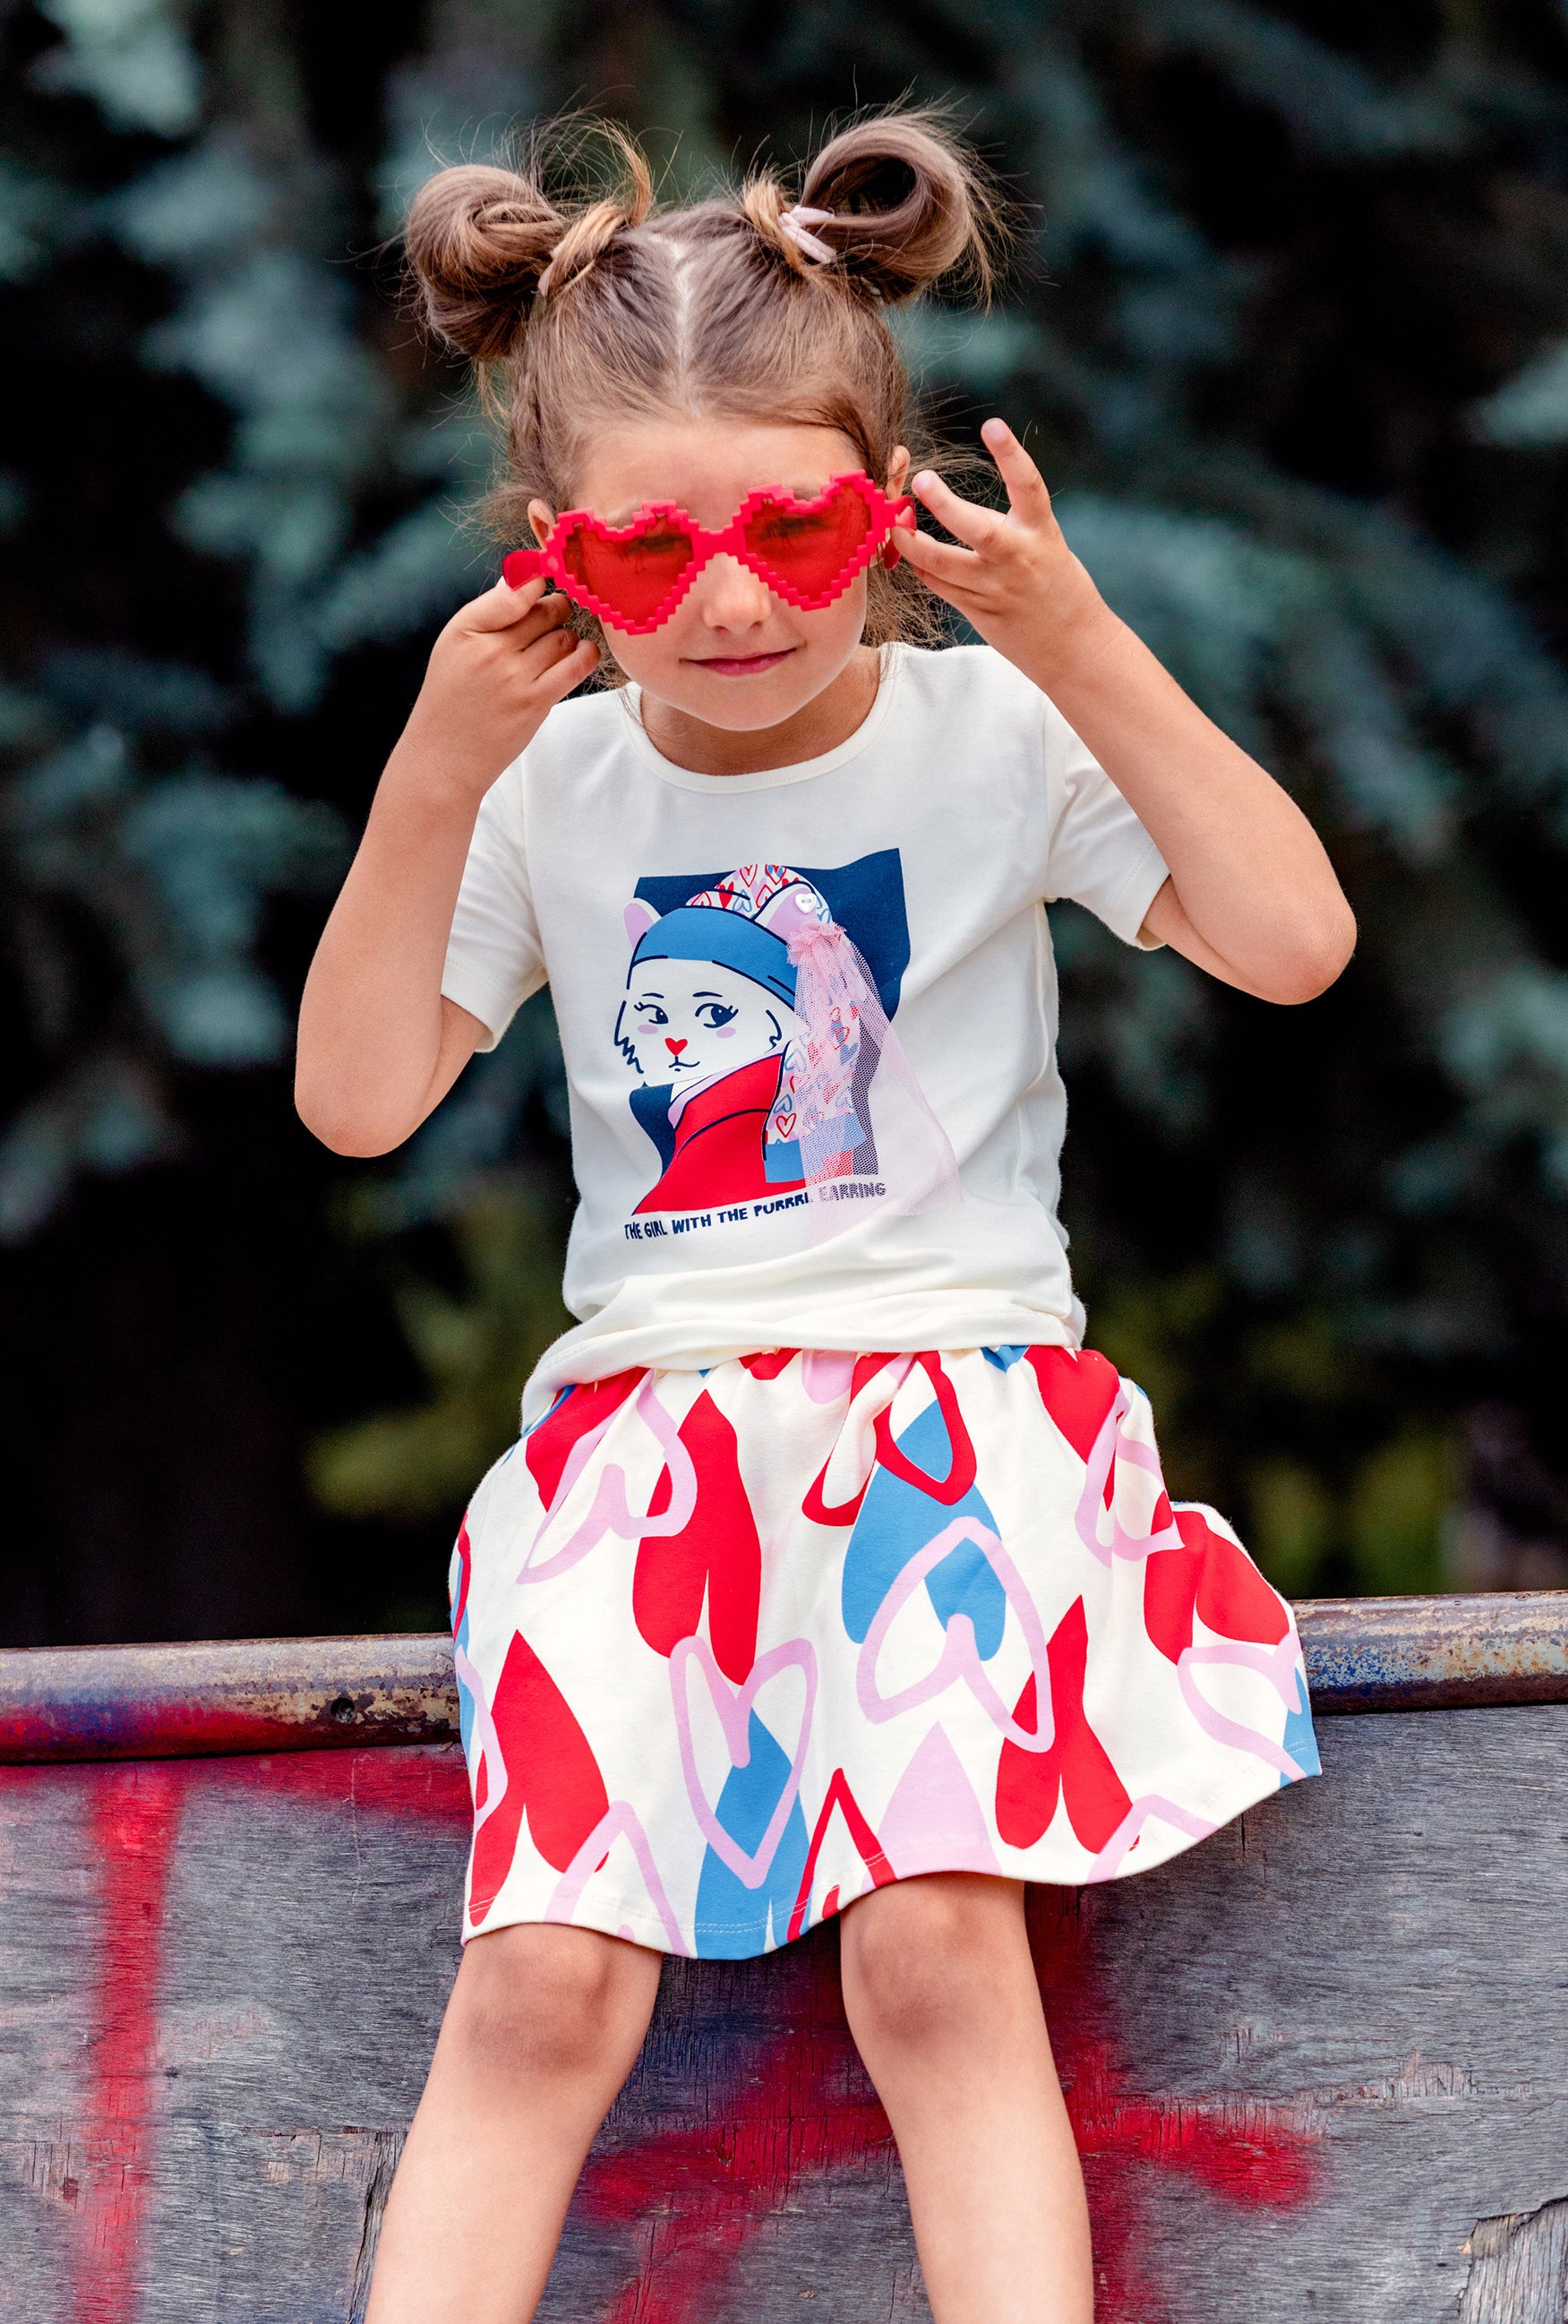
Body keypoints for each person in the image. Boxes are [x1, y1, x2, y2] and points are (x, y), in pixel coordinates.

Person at [296, 108, 1354, 2324]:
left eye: (794, 525)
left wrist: (1078, 640)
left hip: (954, 1424)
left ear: (886, 506)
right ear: (549, 560)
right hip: (647, 1445)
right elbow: (359, 1096)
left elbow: (1289, 939)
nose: (732, 599)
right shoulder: (551, 783)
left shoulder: (994, 733)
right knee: (539, 1983)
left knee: (937, 1951)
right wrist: (430, 770)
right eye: (645, 555)